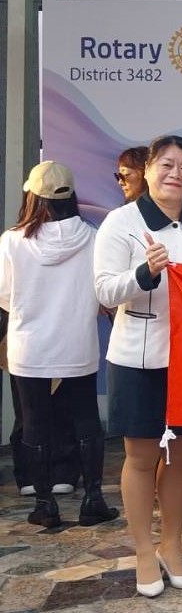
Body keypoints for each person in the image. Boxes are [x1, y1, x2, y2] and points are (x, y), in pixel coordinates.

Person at [94, 135, 182, 597]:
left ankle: (171, 546)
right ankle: (143, 550)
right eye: (166, 165)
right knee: (140, 458)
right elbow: (104, 290)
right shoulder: (121, 221)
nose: (175, 174)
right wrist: (145, 272)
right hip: (137, 357)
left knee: (178, 456)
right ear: (148, 170)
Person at [0, 161, 118, 529]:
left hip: (29, 347)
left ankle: (44, 504)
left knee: (34, 423)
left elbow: (5, 297)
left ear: (32, 197)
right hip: (77, 343)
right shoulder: (93, 237)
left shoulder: (12, 241)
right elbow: (102, 292)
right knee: (86, 421)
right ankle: (92, 499)